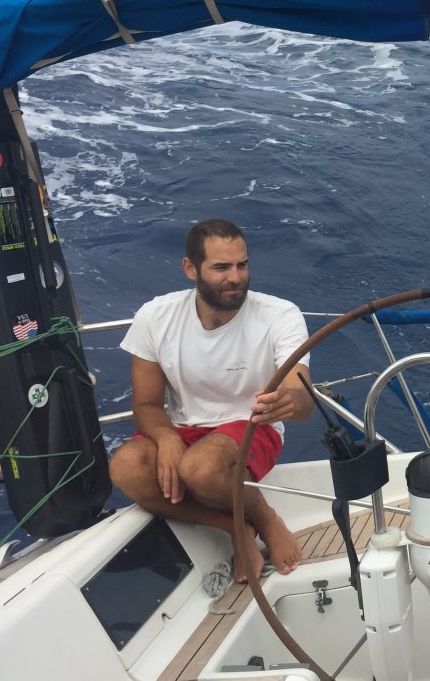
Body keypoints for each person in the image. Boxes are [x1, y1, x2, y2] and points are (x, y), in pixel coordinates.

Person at [108, 218, 313, 581]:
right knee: (124, 468)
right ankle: (234, 527)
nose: (235, 277)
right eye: (221, 267)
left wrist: (291, 402)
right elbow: (147, 406)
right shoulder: (155, 316)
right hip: (187, 430)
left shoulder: (281, 315)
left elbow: (302, 393)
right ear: (191, 269)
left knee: (199, 469)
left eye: (242, 265)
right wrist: (168, 437)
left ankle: (266, 520)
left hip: (253, 426)